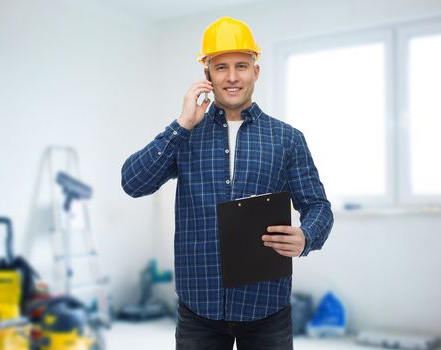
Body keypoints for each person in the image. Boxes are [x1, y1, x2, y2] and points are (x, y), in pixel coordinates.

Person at [121, 16, 333, 350]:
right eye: (220, 68)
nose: (232, 77)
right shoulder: (186, 135)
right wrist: (181, 124)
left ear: (256, 72)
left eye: (241, 66)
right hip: (198, 310)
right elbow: (133, 182)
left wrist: (307, 236)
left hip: (266, 309)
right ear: (207, 75)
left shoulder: (287, 139)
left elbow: (318, 206)